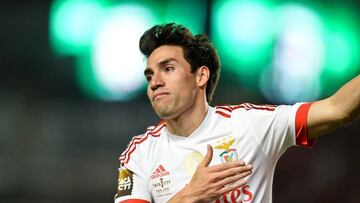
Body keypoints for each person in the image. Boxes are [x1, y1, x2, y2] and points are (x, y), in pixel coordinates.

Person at [114, 23, 360, 203]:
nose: (154, 82)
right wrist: (191, 195)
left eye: (167, 68)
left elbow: (337, 109)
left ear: (201, 76)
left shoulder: (250, 125)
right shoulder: (140, 154)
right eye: (149, 75)